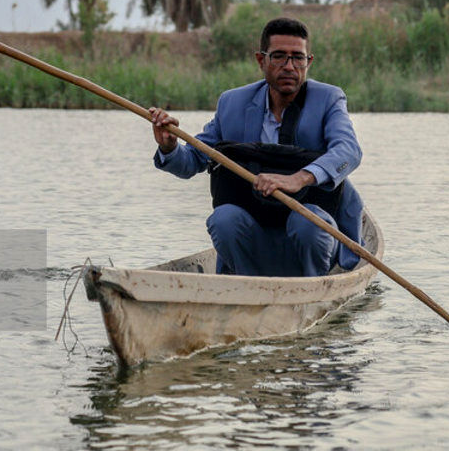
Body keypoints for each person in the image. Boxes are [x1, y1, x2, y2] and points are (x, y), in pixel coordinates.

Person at [149, 17, 365, 277]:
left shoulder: (328, 99)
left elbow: (349, 150)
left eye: (298, 58)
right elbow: (193, 160)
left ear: (309, 62)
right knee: (224, 219)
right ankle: (247, 284)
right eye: (279, 57)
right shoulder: (232, 103)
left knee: (308, 221)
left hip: (312, 233)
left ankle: (311, 286)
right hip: (254, 232)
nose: (289, 66)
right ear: (261, 60)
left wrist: (300, 178)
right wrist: (170, 145)